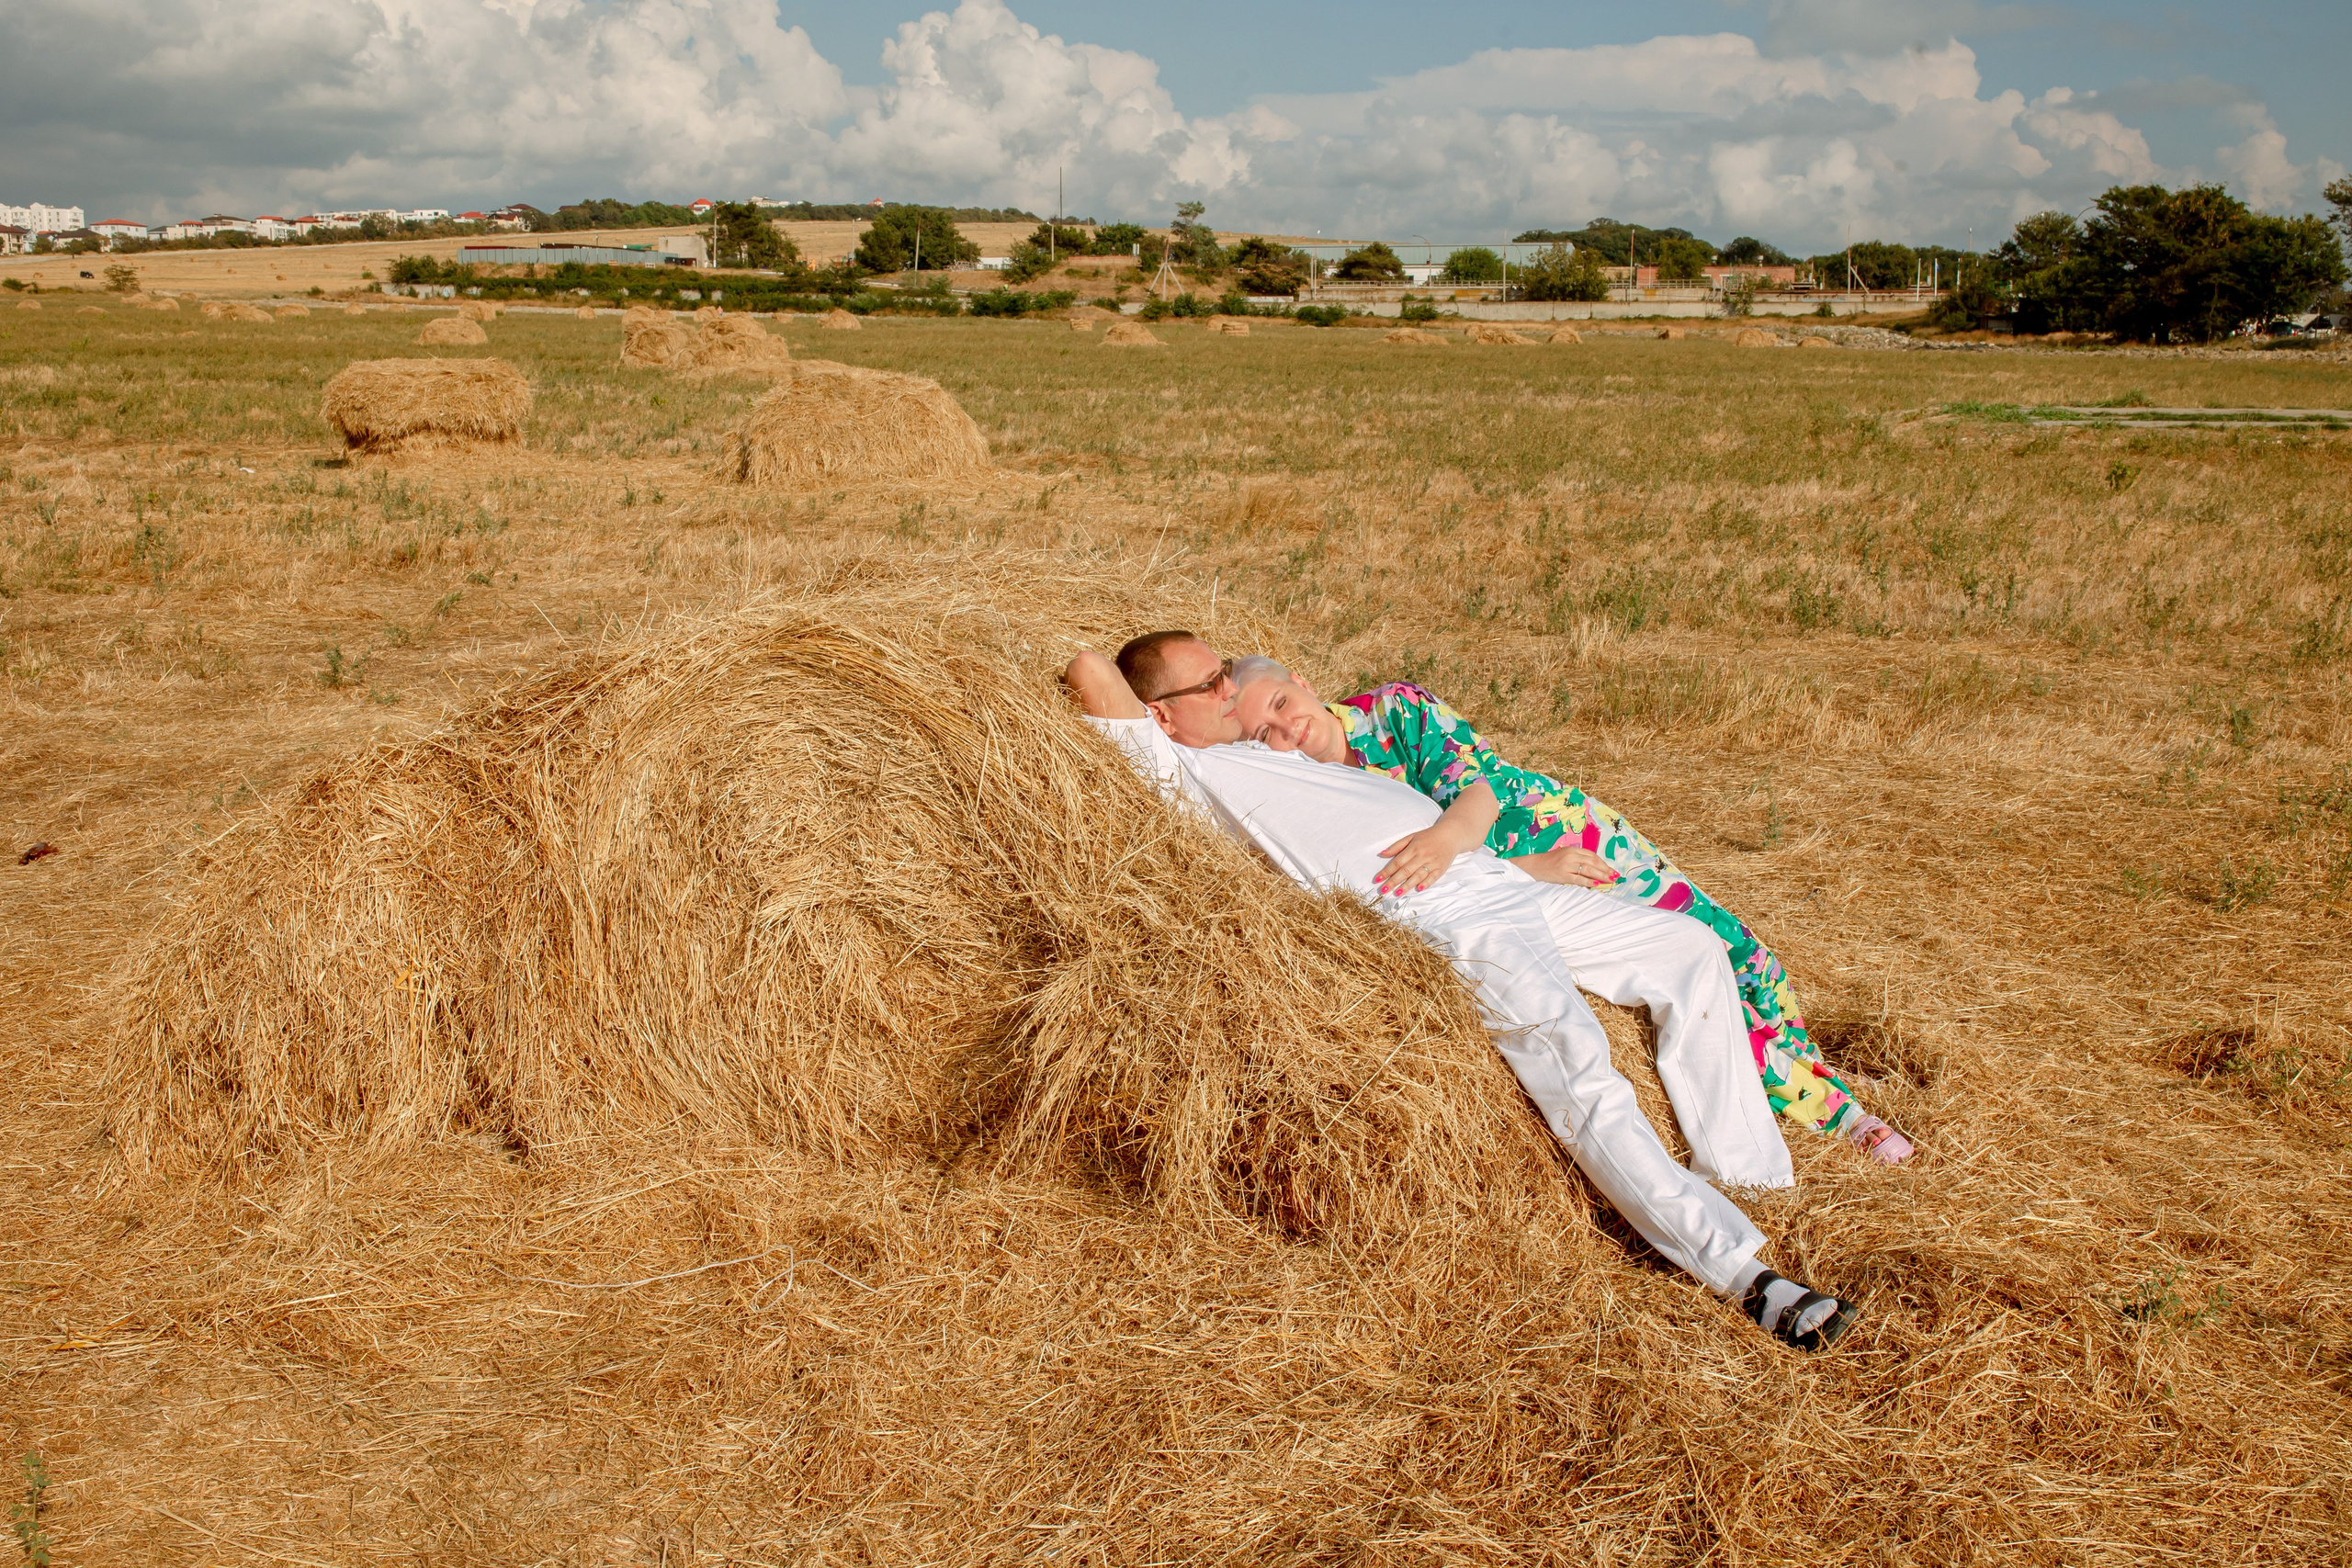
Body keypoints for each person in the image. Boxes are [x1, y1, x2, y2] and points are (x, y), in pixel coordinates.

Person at [1065, 629, 1863, 1352]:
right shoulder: (1185, 772)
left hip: (1496, 881)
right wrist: (1153, 701)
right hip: (1446, 916)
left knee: (1690, 949)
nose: (1230, 692)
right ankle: (1743, 1276)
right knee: (1577, 1067)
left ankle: (1750, 1174)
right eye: (1209, 685)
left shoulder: (1274, 747)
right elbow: (1090, 669)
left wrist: (1502, 860)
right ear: (1160, 717)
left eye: (1228, 676)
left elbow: (1463, 794)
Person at [1227, 658, 1913, 1165]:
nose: (1290, 726)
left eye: (1285, 701)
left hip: (1568, 835)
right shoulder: (1318, 797)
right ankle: (1818, 1111)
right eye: (1267, 732)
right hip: (1522, 884)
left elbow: (1482, 791)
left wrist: (1489, 850)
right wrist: (1528, 878)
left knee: (1735, 949)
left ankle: (1833, 1100)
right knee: (1669, 974)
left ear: (1306, 681)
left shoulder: (1394, 710)